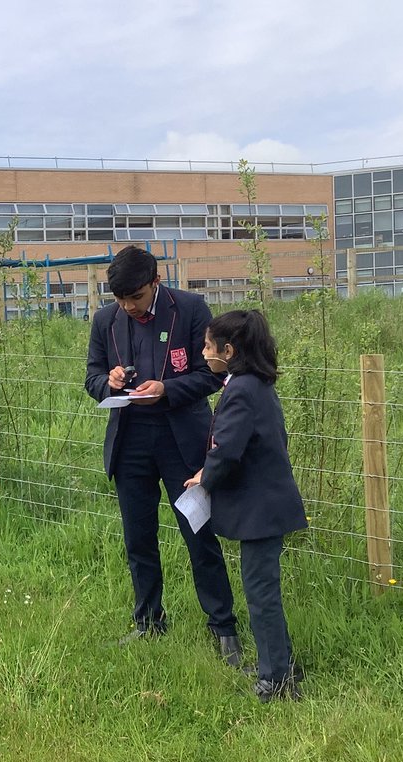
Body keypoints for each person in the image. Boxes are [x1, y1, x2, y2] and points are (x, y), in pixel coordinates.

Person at [85, 246, 241, 666]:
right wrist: (110, 382)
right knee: (138, 538)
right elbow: (92, 376)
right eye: (119, 299)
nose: (127, 307)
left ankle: (223, 627)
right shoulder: (105, 320)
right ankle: (148, 621)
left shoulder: (190, 310)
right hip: (129, 441)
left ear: (155, 282)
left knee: (199, 535)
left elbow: (213, 374)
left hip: (181, 442)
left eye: (134, 297)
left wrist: (167, 389)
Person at [185, 309, 308, 702]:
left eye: (208, 346)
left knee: (260, 592)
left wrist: (205, 476)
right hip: (266, 504)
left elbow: (228, 449)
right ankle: (281, 663)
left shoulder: (240, 389)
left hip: (261, 510)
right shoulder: (255, 383)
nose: (203, 353)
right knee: (263, 588)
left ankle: (277, 679)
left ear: (229, 349)